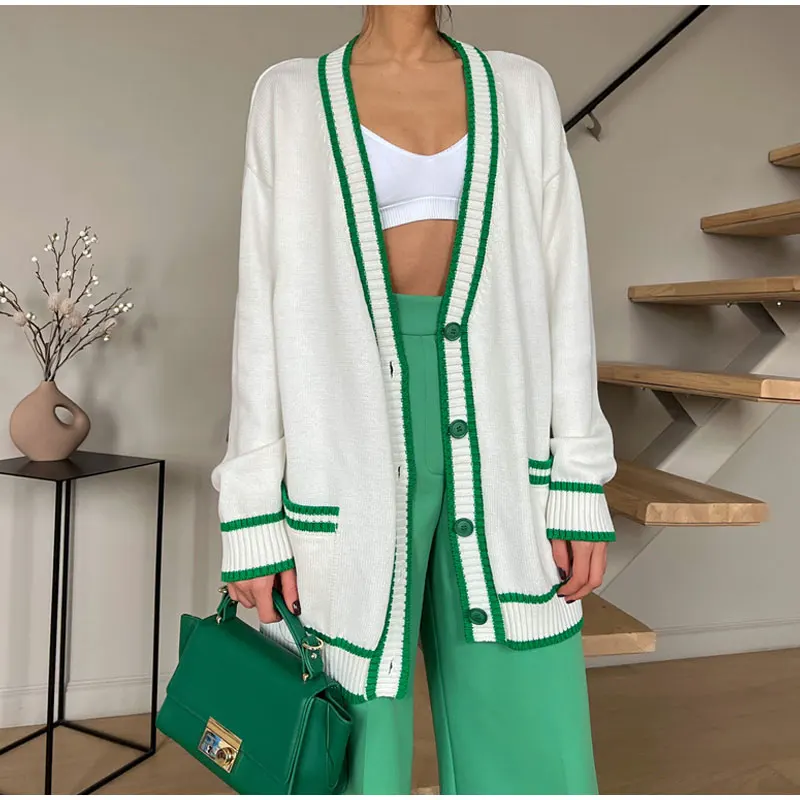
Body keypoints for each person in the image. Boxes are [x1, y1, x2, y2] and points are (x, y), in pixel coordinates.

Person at [211, 4, 616, 794]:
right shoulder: (289, 96)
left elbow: (565, 289)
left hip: (504, 445)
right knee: (348, 751)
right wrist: (251, 510)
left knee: (532, 747)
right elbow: (260, 306)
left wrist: (579, 477)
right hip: (340, 451)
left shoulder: (521, 89)